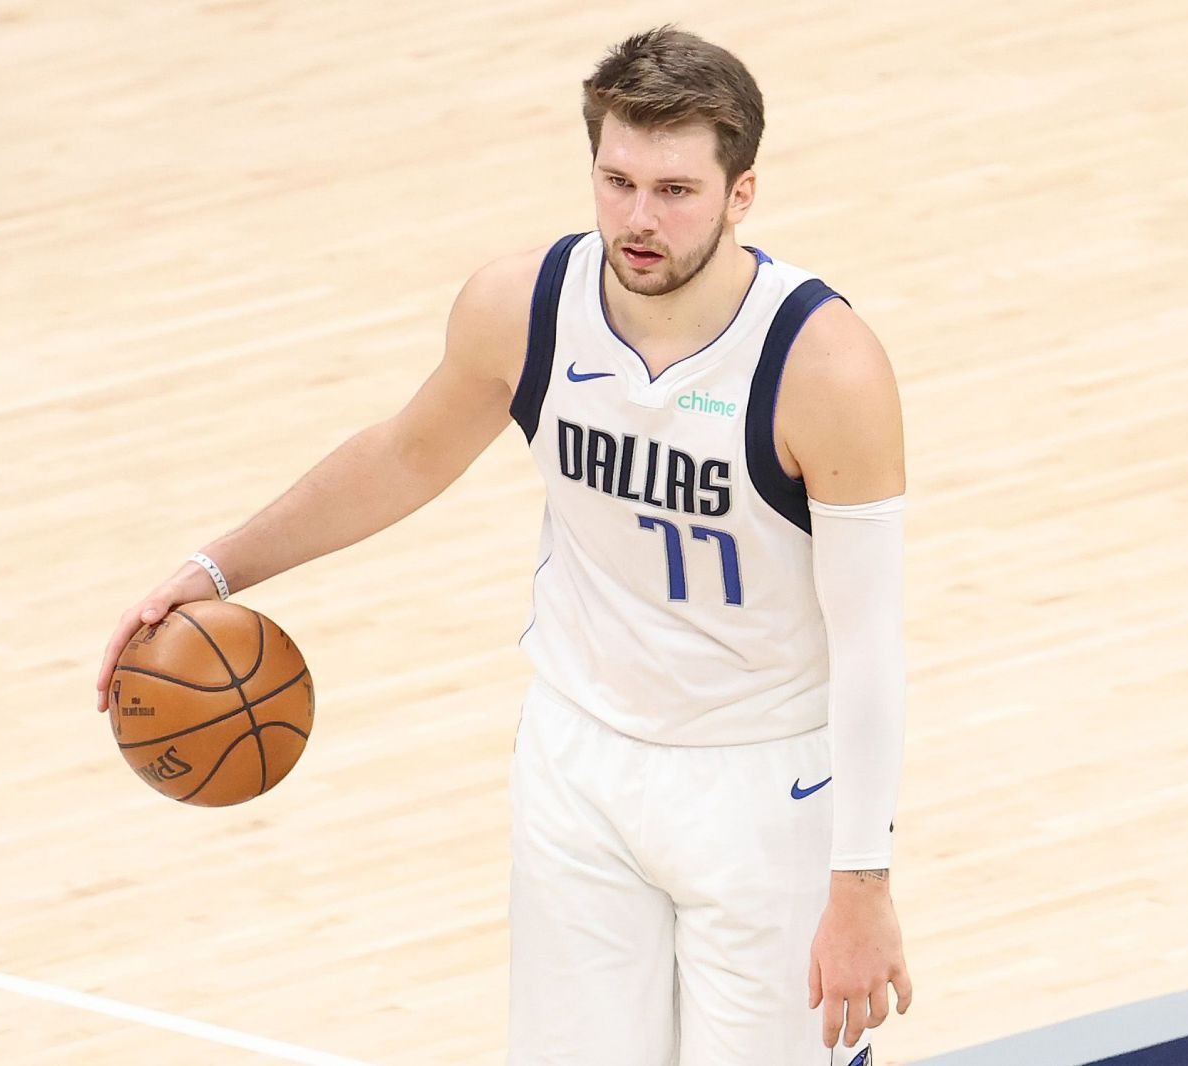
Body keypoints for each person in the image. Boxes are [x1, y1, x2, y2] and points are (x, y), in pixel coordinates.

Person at [95, 25, 912, 1065]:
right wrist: (211, 569)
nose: (637, 218)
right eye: (615, 181)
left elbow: (870, 640)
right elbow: (402, 456)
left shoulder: (823, 367)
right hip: (577, 761)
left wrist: (861, 883)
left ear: (740, 193)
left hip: (762, 790)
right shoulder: (523, 307)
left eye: (673, 190)